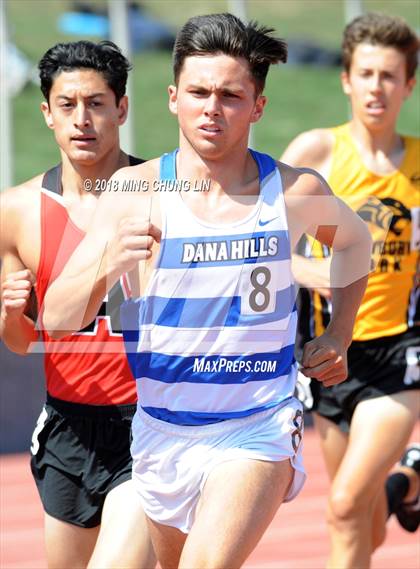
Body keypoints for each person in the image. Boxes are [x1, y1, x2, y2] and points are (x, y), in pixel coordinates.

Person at [43, 14, 372, 568]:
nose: (212, 108)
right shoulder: (134, 191)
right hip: (160, 431)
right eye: (198, 92)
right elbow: (55, 317)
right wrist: (105, 260)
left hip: (257, 424)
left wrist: (340, 333)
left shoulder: (293, 193)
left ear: (257, 106)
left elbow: (356, 247)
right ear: (174, 98)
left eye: (231, 95)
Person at [0, 41, 155, 569]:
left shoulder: (164, 193)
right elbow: (21, 342)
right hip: (69, 427)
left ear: (122, 109)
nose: (82, 119)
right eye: (67, 105)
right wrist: (9, 313)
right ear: (46, 113)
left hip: (152, 424)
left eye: (96, 103)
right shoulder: (17, 210)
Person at [281, 12, 419, 568]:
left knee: (340, 508)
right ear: (345, 79)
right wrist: (307, 271)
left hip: (400, 353)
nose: (376, 88)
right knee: (365, 526)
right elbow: (257, 245)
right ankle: (407, 484)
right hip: (330, 355)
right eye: (365, 74)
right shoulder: (317, 155)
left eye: (389, 76)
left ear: (408, 85)